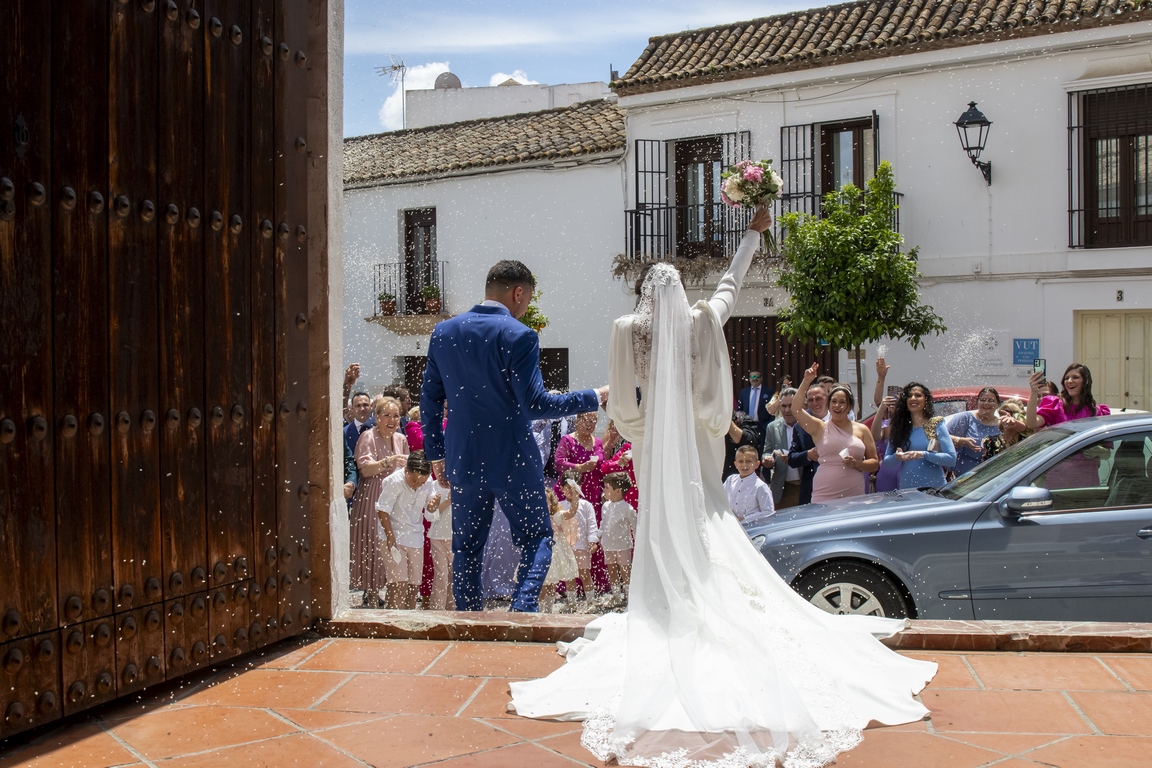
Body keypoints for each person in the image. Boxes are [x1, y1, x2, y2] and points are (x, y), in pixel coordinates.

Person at [509, 206, 935, 768]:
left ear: (644, 293)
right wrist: (752, 234)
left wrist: (639, 433)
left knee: (662, 523)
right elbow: (731, 287)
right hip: (694, 440)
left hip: (654, 443)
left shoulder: (626, 329)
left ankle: (666, 612)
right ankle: (701, 603)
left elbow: (625, 401)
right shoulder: (704, 319)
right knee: (707, 522)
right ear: (681, 293)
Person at [420, 259, 607, 612]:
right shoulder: (520, 335)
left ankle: (470, 620)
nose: (524, 307)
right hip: (513, 460)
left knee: (467, 547)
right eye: (528, 299)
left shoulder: (444, 332)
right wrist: (594, 396)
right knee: (537, 537)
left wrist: (437, 454)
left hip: (463, 457)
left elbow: (429, 399)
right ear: (518, 293)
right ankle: (521, 611)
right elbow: (536, 405)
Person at [350, 396, 409, 607]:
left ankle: (392, 593)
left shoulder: (401, 439)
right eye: (387, 415)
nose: (392, 420)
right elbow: (365, 470)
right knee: (373, 543)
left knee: (394, 542)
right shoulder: (368, 437)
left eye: (396, 416)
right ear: (377, 417)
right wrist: (388, 462)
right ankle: (372, 594)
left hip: (396, 498)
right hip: (373, 495)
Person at [793, 364, 879, 502]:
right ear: (828, 404)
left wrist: (857, 463)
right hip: (824, 493)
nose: (837, 406)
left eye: (842, 402)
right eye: (833, 401)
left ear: (849, 406)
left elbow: (874, 463)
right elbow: (796, 410)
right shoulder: (819, 427)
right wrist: (806, 381)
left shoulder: (862, 429)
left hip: (854, 493)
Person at [375, 451, 443, 610]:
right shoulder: (394, 481)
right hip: (394, 534)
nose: (417, 485)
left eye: (421, 482)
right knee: (398, 584)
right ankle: (392, 620)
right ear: (406, 470)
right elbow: (382, 509)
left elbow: (429, 508)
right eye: (413, 481)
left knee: (413, 586)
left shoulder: (427, 481)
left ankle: (408, 619)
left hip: (416, 537)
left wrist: (432, 506)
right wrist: (390, 536)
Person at [883, 383, 957, 489]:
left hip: (933, 490)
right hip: (907, 489)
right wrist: (897, 456)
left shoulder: (936, 424)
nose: (913, 398)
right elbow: (887, 462)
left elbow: (951, 459)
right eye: (909, 396)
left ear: (926, 400)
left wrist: (923, 454)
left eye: (918, 395)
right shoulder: (899, 427)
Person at [1026, 363, 1110, 430]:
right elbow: (1032, 424)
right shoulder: (1055, 405)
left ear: (1085, 382)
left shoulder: (1097, 411)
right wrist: (1033, 392)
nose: (1069, 381)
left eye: (1075, 377)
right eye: (1066, 378)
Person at [945, 388, 1005, 476]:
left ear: (998, 404)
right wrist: (959, 440)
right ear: (977, 402)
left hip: (993, 476)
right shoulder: (966, 418)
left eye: (991, 400)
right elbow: (939, 435)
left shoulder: (1002, 425)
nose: (986, 403)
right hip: (965, 477)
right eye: (982, 400)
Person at [787, 382, 829, 505]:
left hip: (838, 483)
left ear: (827, 399)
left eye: (819, 399)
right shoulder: (799, 427)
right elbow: (792, 458)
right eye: (810, 400)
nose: (815, 403)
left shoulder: (840, 421)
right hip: (811, 487)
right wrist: (808, 455)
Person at [561, 472, 600, 605]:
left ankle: (591, 602)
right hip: (566, 547)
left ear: (580, 487)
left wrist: (592, 541)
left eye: (574, 488)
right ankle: (571, 603)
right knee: (569, 576)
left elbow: (592, 523)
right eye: (568, 488)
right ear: (561, 488)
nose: (571, 491)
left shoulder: (586, 505)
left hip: (582, 546)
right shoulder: (560, 506)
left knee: (585, 574)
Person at [599, 473, 637, 602]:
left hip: (623, 546)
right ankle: (616, 596)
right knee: (612, 569)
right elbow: (603, 523)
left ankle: (629, 596)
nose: (604, 490)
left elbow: (635, 526)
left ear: (618, 491)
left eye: (607, 487)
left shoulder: (627, 508)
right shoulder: (605, 506)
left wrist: (638, 542)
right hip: (608, 544)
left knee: (625, 570)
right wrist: (600, 536)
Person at [540, 488, 578, 613]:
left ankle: (548, 610)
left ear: (552, 503)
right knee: (541, 583)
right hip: (541, 552)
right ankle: (538, 609)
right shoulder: (536, 518)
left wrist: (575, 497)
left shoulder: (556, 517)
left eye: (546, 501)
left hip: (554, 554)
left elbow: (571, 512)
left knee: (551, 584)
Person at [761, 387, 800, 507]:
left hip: (805, 484)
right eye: (783, 406)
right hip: (782, 488)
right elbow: (767, 451)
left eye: (791, 405)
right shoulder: (772, 427)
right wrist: (767, 459)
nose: (787, 410)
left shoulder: (807, 425)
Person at [726, 445, 775, 522]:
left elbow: (769, 512)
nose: (744, 465)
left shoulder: (760, 486)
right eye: (740, 461)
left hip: (752, 526)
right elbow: (721, 500)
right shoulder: (730, 480)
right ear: (735, 464)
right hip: (731, 524)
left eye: (748, 461)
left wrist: (746, 519)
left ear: (757, 464)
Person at [425, 485, 454, 611]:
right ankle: (438, 610)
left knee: (454, 576)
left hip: (457, 538)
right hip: (438, 537)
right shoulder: (433, 486)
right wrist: (448, 501)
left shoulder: (462, 484)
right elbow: (429, 516)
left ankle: (453, 610)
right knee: (441, 575)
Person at [736, 370, 773, 451]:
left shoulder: (768, 392)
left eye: (757, 376)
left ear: (761, 378)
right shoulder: (744, 392)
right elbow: (739, 409)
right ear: (749, 379)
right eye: (752, 376)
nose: (754, 379)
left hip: (762, 426)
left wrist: (766, 425)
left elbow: (772, 411)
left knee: (761, 449)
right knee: (747, 449)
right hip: (747, 426)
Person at [722, 410, 759, 480]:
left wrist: (726, 420)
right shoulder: (703, 420)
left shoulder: (742, 419)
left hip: (738, 480)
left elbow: (749, 444)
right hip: (709, 478)